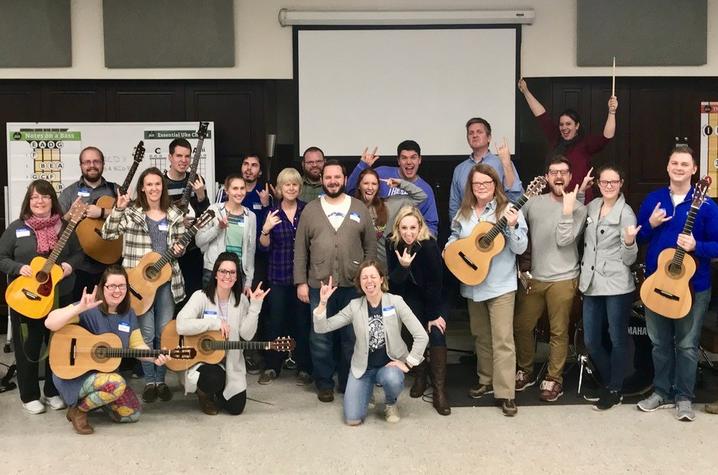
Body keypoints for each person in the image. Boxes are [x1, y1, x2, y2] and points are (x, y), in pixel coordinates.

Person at [635, 145, 718, 421]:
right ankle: (661, 391)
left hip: (693, 288)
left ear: (694, 169)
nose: (679, 168)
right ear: (667, 166)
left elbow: (717, 245)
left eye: (685, 164)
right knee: (659, 343)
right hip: (657, 284)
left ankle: (684, 397)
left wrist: (698, 245)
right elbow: (639, 237)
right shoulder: (654, 199)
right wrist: (650, 223)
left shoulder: (707, 205)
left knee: (686, 345)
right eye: (674, 163)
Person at [45, 266, 169, 434]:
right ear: (103, 287)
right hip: (74, 375)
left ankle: (99, 401)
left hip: (105, 375)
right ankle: (80, 410)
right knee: (118, 384)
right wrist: (78, 309)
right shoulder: (89, 306)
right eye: (112, 286)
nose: (117, 291)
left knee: (132, 414)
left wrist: (154, 357)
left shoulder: (128, 314)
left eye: (122, 286)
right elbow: (50, 323)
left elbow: (137, 345)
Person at [447, 164, 528, 416]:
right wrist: (450, 249)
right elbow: (455, 236)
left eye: (486, 183)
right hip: (472, 283)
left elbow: (520, 248)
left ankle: (506, 393)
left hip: (501, 284)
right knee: (481, 335)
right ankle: (485, 380)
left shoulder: (510, 210)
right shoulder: (464, 212)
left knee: (503, 339)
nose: (481, 188)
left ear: (496, 185)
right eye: (477, 184)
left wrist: (513, 227)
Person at [294, 159, 377, 402]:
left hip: (353, 287)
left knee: (351, 337)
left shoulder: (359, 207)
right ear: (322, 180)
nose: (332, 181)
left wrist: (369, 280)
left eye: (337, 177)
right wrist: (300, 282)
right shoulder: (310, 210)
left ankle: (348, 380)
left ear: (345, 178)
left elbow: (370, 246)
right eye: (328, 177)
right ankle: (324, 383)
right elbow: (300, 250)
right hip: (318, 287)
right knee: (320, 338)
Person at [101, 167, 186, 403]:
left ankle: (162, 380)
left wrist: (180, 249)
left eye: (158, 184)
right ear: (142, 188)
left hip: (167, 282)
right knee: (146, 334)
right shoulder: (131, 213)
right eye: (149, 184)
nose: (154, 189)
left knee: (163, 332)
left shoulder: (174, 215)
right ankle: (150, 381)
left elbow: (181, 246)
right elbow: (107, 234)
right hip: (140, 284)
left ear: (163, 186)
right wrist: (118, 208)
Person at [0, 180, 82, 414]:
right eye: (35, 197)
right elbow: (1, 257)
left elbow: (79, 254)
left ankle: (52, 391)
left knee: (57, 344)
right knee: (30, 345)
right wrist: (17, 268)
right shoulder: (17, 228)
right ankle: (29, 394)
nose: (40, 201)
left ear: (52, 201)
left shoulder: (65, 227)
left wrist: (68, 265)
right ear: (28, 200)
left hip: (59, 295)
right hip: (26, 299)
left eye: (45, 196)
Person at [313, 261, 428, 425]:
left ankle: (390, 403)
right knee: (352, 419)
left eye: (373, 276)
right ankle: (367, 392)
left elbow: (421, 335)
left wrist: (409, 364)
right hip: (363, 368)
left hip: (389, 366)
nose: (369, 281)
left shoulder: (396, 302)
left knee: (393, 379)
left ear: (381, 279)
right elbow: (322, 327)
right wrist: (323, 303)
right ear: (359, 282)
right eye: (364, 277)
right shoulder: (354, 306)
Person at [513, 157, 587, 402]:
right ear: (546, 177)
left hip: (564, 278)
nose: (558, 176)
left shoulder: (578, 207)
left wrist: (567, 210)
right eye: (554, 171)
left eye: (564, 172)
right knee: (522, 326)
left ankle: (554, 379)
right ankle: (525, 370)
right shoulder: (533, 203)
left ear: (569, 177)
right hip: (534, 277)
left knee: (558, 331)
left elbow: (565, 240)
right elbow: (513, 225)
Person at [176, 252, 269, 415]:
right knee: (213, 378)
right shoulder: (201, 297)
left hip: (230, 361)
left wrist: (255, 306)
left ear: (236, 276)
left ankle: (220, 390)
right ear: (216, 274)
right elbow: (181, 325)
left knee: (236, 408)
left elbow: (246, 335)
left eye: (232, 272)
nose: (227, 276)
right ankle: (204, 393)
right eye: (223, 271)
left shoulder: (241, 300)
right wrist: (215, 323)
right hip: (205, 360)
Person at [578, 165, 639, 410]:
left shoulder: (627, 214)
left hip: (616, 285)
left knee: (617, 337)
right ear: (599, 184)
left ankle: (614, 388)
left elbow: (629, 259)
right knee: (591, 340)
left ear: (621, 183)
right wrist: (581, 192)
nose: (609, 186)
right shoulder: (593, 207)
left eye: (614, 182)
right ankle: (611, 378)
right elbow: (576, 216)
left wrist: (629, 241)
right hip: (591, 282)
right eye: (605, 182)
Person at [386, 206, 450, 415]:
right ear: (398, 227)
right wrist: (403, 267)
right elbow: (394, 287)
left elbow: (435, 283)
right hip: (409, 294)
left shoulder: (429, 245)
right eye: (404, 227)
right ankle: (421, 375)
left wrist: (432, 316)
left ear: (420, 227)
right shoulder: (392, 243)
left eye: (413, 227)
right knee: (414, 332)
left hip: (434, 295)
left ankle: (440, 390)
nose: (409, 232)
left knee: (436, 332)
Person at [518, 78, 618, 202]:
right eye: (561, 124)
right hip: (555, 199)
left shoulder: (585, 144)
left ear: (577, 126)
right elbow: (541, 115)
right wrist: (526, 91)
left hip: (580, 200)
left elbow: (607, 137)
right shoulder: (555, 138)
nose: (564, 127)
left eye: (568, 124)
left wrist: (612, 112)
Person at [257, 168, 311, 385]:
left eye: (295, 184)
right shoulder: (272, 213)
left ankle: (304, 367)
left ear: (300, 187)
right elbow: (263, 248)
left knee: (302, 322)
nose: (291, 188)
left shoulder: (307, 211)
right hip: (278, 276)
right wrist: (266, 230)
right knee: (275, 322)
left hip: (302, 279)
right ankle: (272, 365)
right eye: (286, 185)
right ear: (279, 189)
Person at [58, 146, 119, 300]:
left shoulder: (116, 190)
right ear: (81, 166)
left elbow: (132, 218)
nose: (92, 165)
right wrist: (70, 214)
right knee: (78, 313)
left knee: (108, 310)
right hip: (77, 266)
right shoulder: (69, 193)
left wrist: (103, 212)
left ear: (103, 164)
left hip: (110, 264)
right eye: (87, 162)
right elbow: (56, 227)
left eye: (96, 161)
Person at [347, 142, 439, 236]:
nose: (409, 162)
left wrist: (421, 244)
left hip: (409, 241)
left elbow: (431, 225)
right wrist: (362, 165)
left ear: (419, 160)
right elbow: (350, 191)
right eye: (404, 158)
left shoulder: (425, 189)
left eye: (413, 157)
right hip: (379, 239)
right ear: (398, 160)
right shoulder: (381, 174)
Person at [449, 119, 523, 222]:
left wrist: (506, 164)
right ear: (468, 139)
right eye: (471, 133)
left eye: (479, 132)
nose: (474, 135)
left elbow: (516, 198)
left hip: (497, 229)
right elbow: (454, 206)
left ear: (489, 138)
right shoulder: (459, 169)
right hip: (468, 233)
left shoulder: (502, 163)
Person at [164, 138, 210, 298]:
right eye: (179, 156)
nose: (183, 160)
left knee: (194, 294)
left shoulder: (197, 179)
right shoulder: (161, 183)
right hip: (168, 250)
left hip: (192, 248)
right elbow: (155, 216)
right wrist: (177, 222)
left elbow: (206, 214)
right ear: (170, 157)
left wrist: (201, 195)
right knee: (170, 296)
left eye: (187, 156)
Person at [354, 166, 426, 266]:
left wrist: (400, 183)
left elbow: (421, 196)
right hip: (361, 272)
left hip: (385, 271)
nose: (370, 187)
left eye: (374, 184)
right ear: (359, 185)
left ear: (378, 187)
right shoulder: (351, 208)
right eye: (366, 183)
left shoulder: (389, 205)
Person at [195, 174, 256, 291]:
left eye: (242, 188)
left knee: (236, 309)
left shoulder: (251, 216)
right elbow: (199, 240)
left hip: (237, 273)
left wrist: (249, 280)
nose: (239, 192)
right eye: (235, 188)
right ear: (226, 191)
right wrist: (218, 228)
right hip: (214, 271)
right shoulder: (213, 210)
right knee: (212, 309)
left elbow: (250, 249)